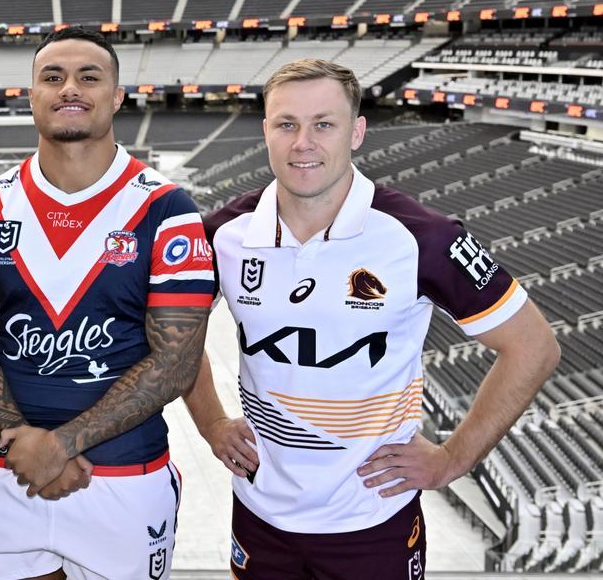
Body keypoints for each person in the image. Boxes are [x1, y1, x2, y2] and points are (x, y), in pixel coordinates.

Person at [187, 58, 560, 580]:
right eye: (287, 124)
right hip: (259, 512)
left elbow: (534, 346)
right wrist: (210, 423)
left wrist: (454, 459)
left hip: (373, 519)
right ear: (265, 131)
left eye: (324, 124)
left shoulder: (422, 237)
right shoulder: (222, 234)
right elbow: (175, 334)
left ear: (357, 131)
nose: (303, 143)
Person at [0, 26, 215, 579]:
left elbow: (177, 362)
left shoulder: (167, 209)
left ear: (116, 96)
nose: (70, 88)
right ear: (31, 94)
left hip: (124, 478)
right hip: (7, 471)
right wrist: (25, 442)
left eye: (89, 77)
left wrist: (61, 444)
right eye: (53, 77)